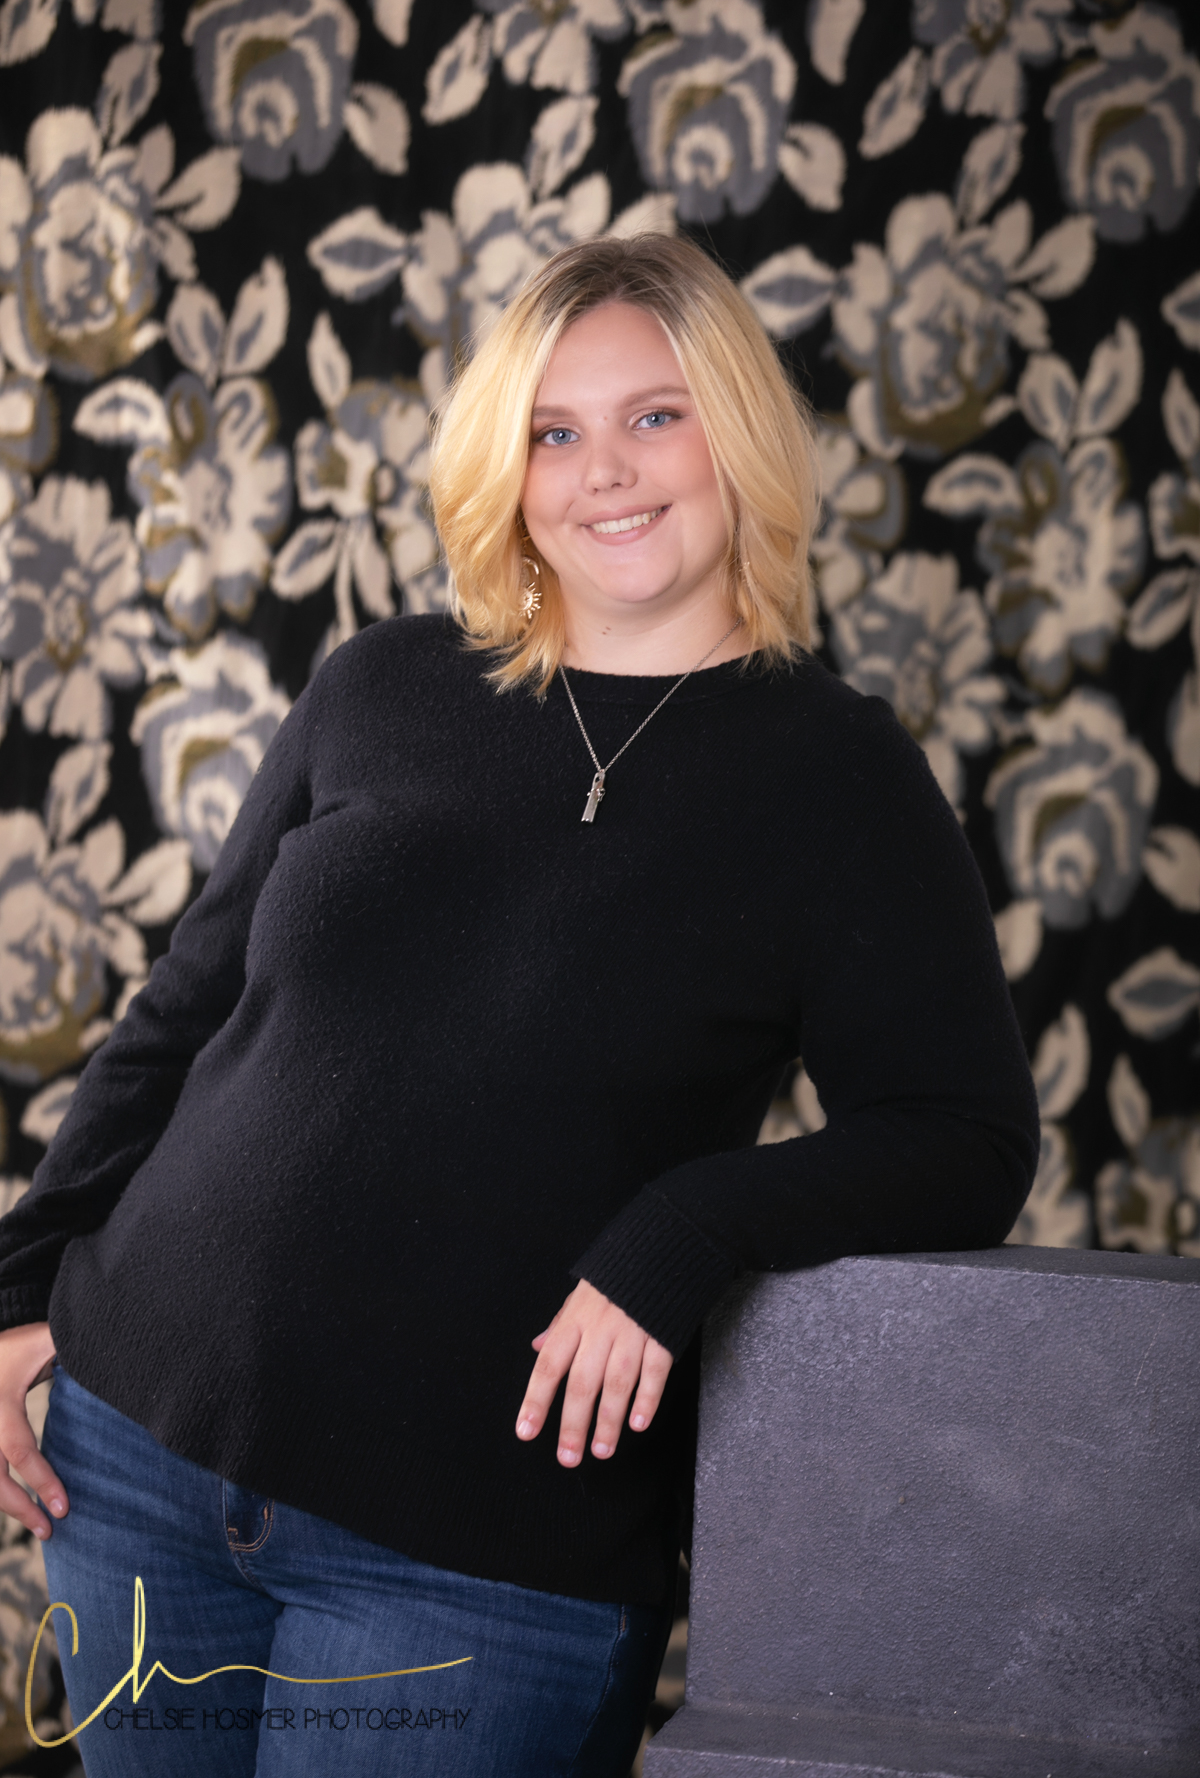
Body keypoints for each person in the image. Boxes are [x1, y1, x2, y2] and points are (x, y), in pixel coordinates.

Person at [0, 234, 1039, 1777]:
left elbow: (964, 1136)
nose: (602, 471)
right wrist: (19, 1287)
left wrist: (687, 1228)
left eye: (654, 417)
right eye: (553, 432)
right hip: (135, 1459)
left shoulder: (840, 777)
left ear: (741, 433)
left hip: (475, 1560)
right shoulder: (383, 684)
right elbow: (183, 1012)